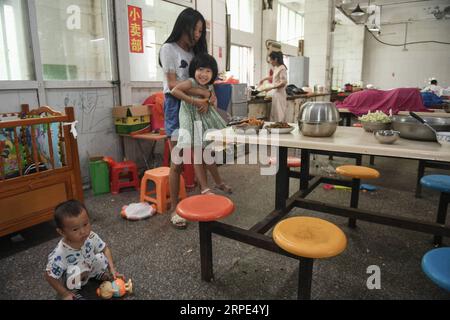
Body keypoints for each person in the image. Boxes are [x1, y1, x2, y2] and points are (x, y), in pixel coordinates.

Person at [159, 8, 213, 229]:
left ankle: (205, 198)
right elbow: (172, 85)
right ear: (185, 26)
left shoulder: (195, 54)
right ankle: (174, 210)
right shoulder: (168, 49)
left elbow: (205, 80)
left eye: (201, 31)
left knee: (201, 153)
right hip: (176, 105)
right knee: (178, 161)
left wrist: (209, 93)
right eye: (196, 29)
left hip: (196, 106)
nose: (199, 34)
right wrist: (201, 94)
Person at [171, 53, 232, 195]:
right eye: (200, 69)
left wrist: (208, 102)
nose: (203, 74)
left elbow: (213, 99)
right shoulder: (191, 82)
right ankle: (205, 188)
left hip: (203, 118)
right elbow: (174, 90)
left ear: (213, 73)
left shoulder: (210, 86)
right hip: (189, 118)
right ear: (194, 70)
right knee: (198, 153)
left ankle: (218, 183)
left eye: (208, 71)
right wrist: (195, 101)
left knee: (207, 154)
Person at [45, 200, 120, 300]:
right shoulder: (59, 253)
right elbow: (49, 276)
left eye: (85, 224)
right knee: (76, 270)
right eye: (75, 229)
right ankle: (73, 291)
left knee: (100, 257)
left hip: (88, 266)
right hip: (74, 276)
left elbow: (105, 248)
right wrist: (64, 293)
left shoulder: (91, 236)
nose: (83, 231)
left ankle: (95, 274)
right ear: (61, 232)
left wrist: (112, 269)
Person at [259, 51, 288, 122]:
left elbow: (283, 83)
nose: (270, 62)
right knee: (274, 115)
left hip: (280, 95)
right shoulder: (276, 67)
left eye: (271, 60)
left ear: (276, 59)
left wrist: (271, 87)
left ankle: (280, 131)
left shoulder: (282, 68)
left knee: (279, 116)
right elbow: (274, 76)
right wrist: (264, 79)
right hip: (275, 94)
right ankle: (276, 131)